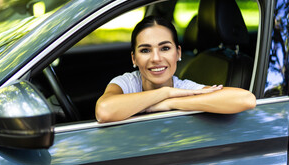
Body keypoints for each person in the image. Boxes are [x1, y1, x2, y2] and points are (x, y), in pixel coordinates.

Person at [95, 16, 256, 123]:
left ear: (178, 53)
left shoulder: (184, 88)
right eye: (145, 50)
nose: (156, 58)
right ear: (134, 58)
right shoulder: (127, 82)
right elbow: (104, 111)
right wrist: (165, 93)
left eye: (165, 48)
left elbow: (246, 99)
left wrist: (170, 103)